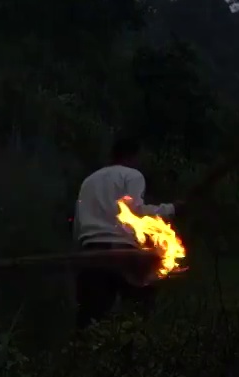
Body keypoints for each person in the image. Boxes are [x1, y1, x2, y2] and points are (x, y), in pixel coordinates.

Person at [72, 136, 180, 329]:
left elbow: (79, 222)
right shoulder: (132, 175)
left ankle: (81, 355)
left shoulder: (88, 181)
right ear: (133, 156)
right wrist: (170, 209)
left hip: (91, 253)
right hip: (123, 251)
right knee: (137, 313)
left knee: (89, 317)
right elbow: (136, 211)